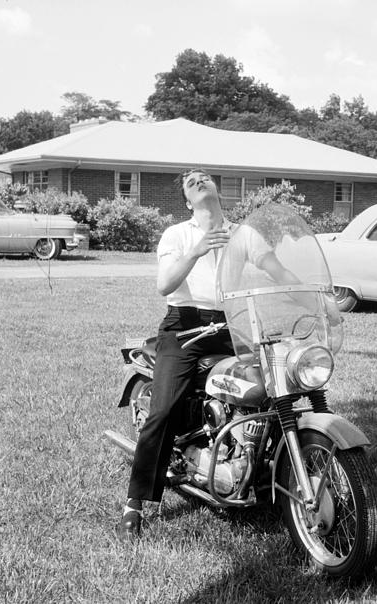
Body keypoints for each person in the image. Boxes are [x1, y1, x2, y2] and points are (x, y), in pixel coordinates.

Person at [116, 169, 239, 538]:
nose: (199, 180)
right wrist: (197, 250)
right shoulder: (178, 234)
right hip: (185, 327)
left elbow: (272, 270)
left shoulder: (241, 234)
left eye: (205, 177)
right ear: (188, 201)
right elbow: (165, 284)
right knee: (164, 409)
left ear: (218, 189)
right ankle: (134, 502)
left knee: (276, 387)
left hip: (234, 324)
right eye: (190, 182)